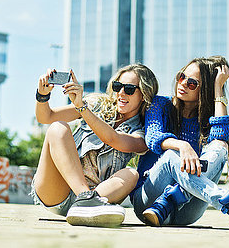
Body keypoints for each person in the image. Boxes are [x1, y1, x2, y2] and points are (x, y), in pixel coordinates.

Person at [130, 56, 229, 231]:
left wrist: (218, 88)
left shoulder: (204, 121)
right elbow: (153, 137)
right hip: (148, 202)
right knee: (172, 155)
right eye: (182, 77)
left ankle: (173, 198)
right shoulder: (159, 104)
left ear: (205, 90)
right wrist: (182, 145)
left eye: (192, 83)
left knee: (221, 146)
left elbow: (221, 136)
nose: (183, 84)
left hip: (186, 213)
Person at [31, 64, 158, 227]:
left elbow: (113, 139)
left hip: (99, 195)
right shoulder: (96, 104)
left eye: (129, 89)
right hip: (57, 191)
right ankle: (85, 199)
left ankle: (86, 202)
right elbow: (46, 117)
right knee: (57, 128)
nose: (121, 93)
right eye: (118, 86)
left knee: (132, 174)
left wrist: (82, 108)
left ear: (144, 95)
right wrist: (42, 95)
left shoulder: (141, 134)